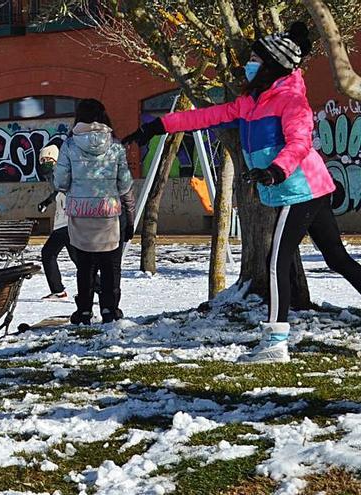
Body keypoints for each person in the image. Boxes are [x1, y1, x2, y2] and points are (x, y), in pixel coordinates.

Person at [124, 22, 361, 364]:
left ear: (272, 65)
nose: (249, 64)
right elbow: (207, 116)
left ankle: (276, 342)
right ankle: (277, 338)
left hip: (301, 190)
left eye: (255, 59)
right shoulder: (251, 102)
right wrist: (156, 127)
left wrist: (275, 170)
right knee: (336, 259)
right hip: (301, 189)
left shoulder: (291, 100)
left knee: (275, 261)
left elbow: (299, 142)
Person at [55, 98, 133, 325]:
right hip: (108, 213)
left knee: (85, 265)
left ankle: (85, 311)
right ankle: (110, 309)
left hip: (80, 212)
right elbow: (125, 184)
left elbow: (60, 181)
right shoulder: (115, 146)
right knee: (110, 264)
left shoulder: (69, 145)